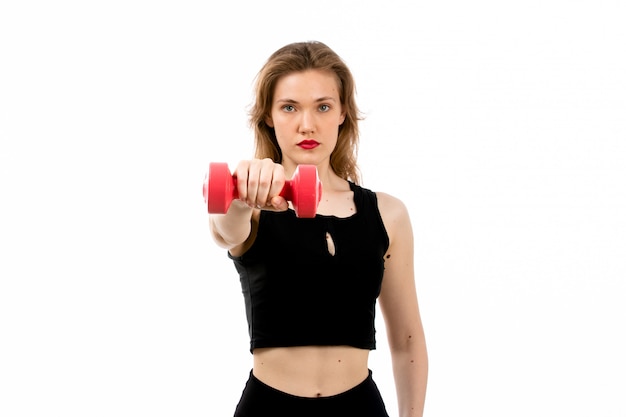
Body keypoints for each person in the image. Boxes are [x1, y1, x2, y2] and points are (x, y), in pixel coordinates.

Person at [209, 41, 428, 417]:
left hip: (360, 407)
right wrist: (244, 197)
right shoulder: (248, 205)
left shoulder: (388, 214)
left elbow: (407, 340)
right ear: (268, 116)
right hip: (268, 407)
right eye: (289, 107)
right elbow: (226, 230)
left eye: (323, 107)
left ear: (343, 113)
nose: (306, 124)